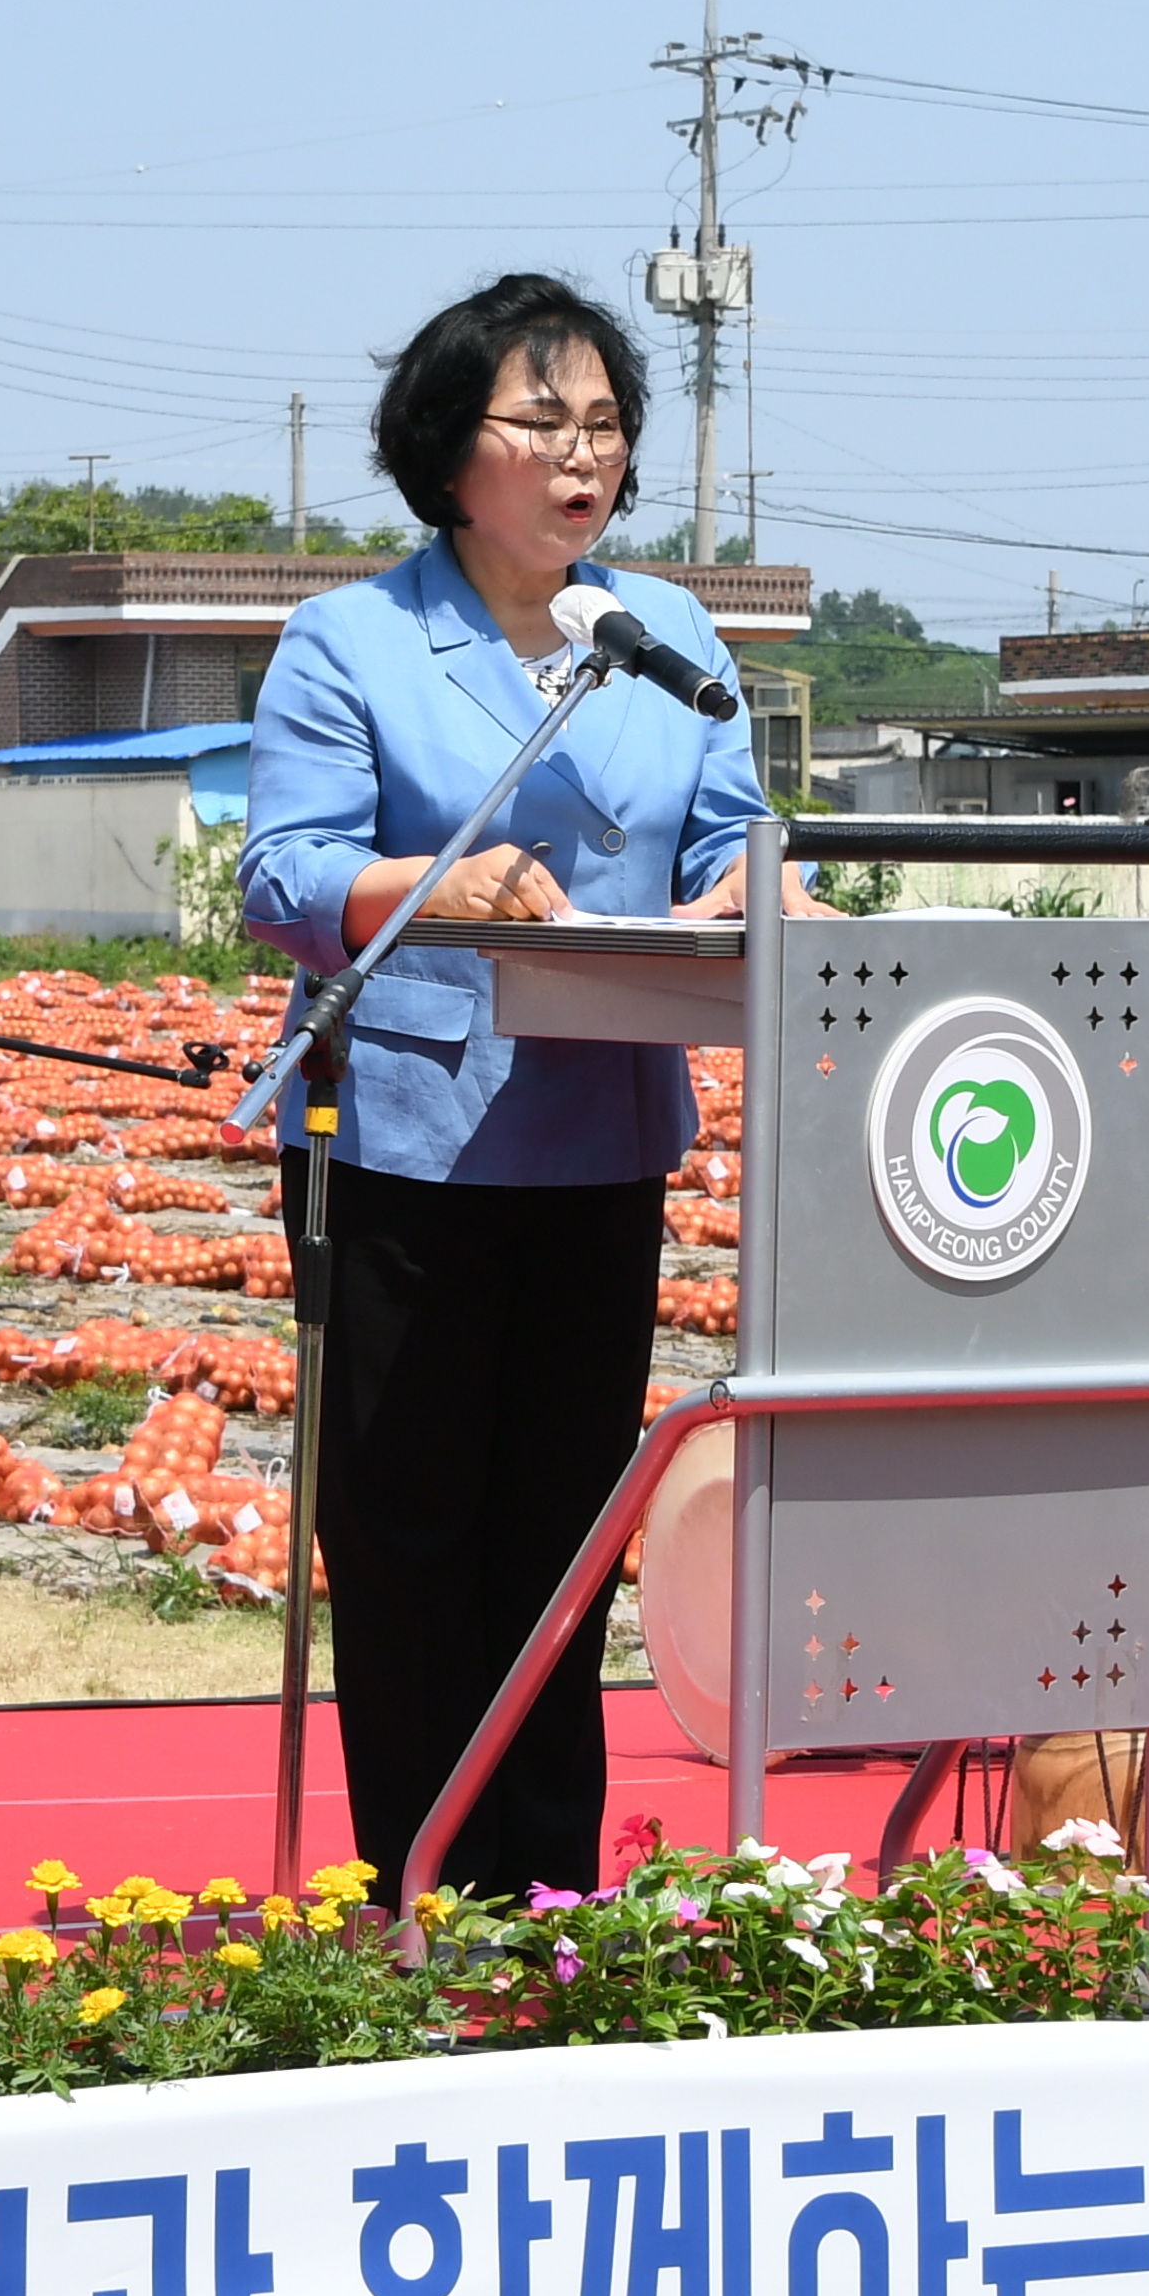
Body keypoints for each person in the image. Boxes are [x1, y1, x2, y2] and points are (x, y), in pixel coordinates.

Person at [240, 272, 788, 1898]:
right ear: (446, 447)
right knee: (411, 1545)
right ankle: (421, 1893)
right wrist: (427, 883)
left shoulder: (664, 634)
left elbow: (734, 832)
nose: (583, 457)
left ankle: (551, 1898)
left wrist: (756, 892)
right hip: (402, 1142)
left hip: (597, 1135)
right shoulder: (350, 639)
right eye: (543, 422)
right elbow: (283, 870)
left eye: (607, 428)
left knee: (561, 1543)